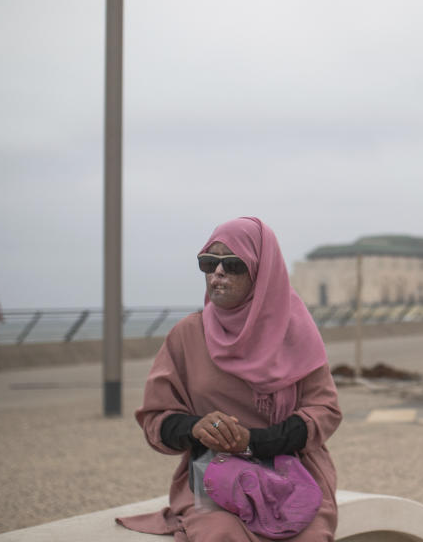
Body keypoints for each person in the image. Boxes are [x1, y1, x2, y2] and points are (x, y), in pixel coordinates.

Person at [117, 217, 342, 541]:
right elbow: (155, 419)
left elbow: (325, 411)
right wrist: (195, 428)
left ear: (261, 274)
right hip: (214, 480)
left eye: (233, 265)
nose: (217, 273)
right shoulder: (187, 336)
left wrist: (251, 442)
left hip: (294, 478)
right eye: (209, 263)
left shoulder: (295, 332)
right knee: (220, 534)